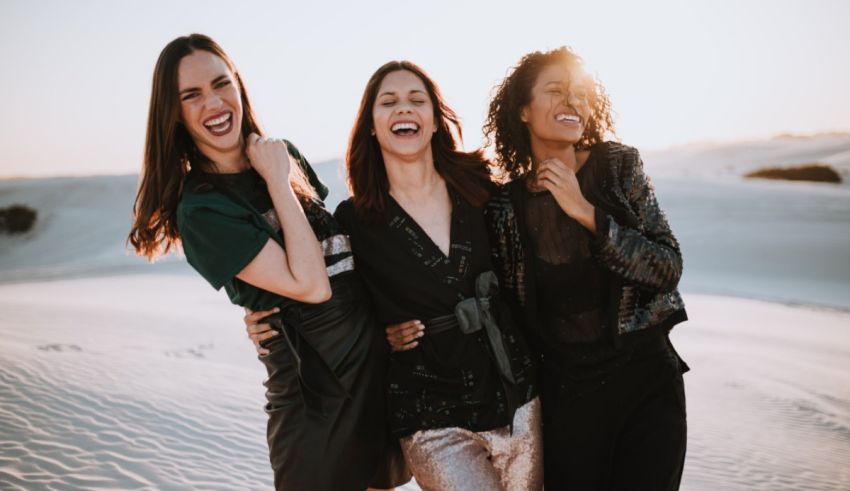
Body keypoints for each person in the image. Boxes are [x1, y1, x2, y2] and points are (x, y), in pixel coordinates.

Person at [127, 33, 408, 491]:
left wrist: (385, 321)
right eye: (191, 95)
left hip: (373, 379)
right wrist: (278, 180)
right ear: (173, 113)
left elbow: (341, 259)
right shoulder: (203, 209)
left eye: (221, 84)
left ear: (239, 85)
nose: (213, 103)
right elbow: (313, 286)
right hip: (314, 404)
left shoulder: (284, 153)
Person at [247, 61, 543, 491]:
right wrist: (269, 321)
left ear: (435, 120)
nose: (403, 109)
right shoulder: (355, 220)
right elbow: (323, 291)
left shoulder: (479, 184)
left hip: (517, 393)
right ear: (371, 124)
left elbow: (533, 270)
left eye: (416, 100)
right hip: (429, 412)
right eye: (388, 102)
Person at [482, 46, 689, 490]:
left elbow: (666, 267)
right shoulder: (504, 206)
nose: (571, 102)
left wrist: (587, 214)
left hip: (646, 380)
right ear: (522, 109)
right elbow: (494, 301)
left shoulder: (618, 168)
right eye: (555, 90)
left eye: (580, 92)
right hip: (567, 395)